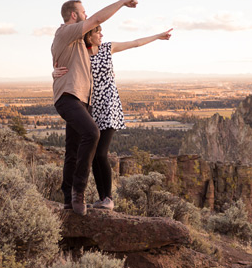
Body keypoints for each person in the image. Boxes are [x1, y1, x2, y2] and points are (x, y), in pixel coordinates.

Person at [54, 27, 173, 210]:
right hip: (91, 108)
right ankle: (102, 199)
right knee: (92, 156)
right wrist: (53, 74)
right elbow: (63, 72)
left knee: (101, 153)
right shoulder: (80, 56)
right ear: (89, 36)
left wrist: (157, 36)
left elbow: (135, 43)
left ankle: (108, 198)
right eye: (98, 32)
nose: (102, 35)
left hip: (109, 107)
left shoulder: (107, 48)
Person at [51, 0, 142, 215]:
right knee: (92, 133)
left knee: (72, 151)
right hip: (68, 97)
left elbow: (76, 57)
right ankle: (78, 192)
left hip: (83, 100)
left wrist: (53, 71)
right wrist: (121, 3)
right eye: (83, 12)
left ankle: (67, 199)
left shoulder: (80, 42)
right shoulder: (66, 31)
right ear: (74, 15)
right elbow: (98, 18)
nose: (86, 15)